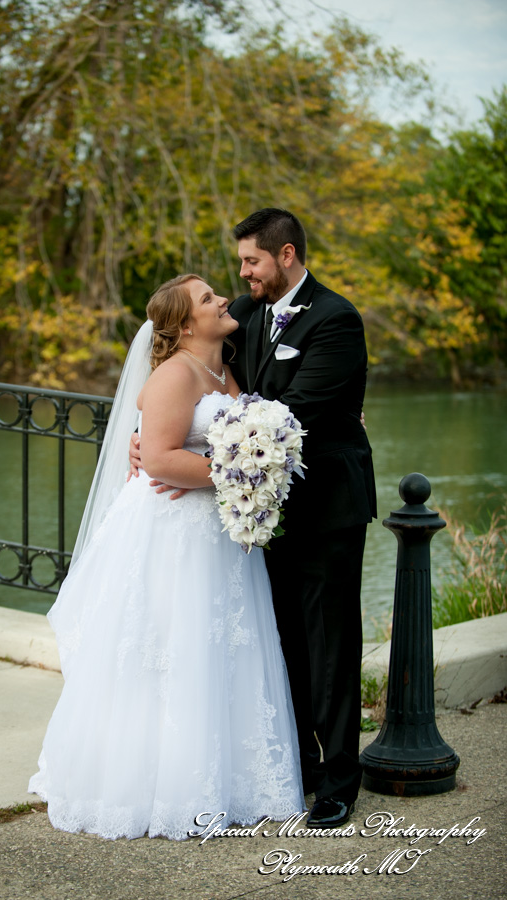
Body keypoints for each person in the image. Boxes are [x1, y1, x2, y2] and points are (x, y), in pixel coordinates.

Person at [29, 273, 305, 841]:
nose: (223, 299)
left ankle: (232, 781)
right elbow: (155, 459)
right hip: (174, 533)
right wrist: (246, 475)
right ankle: (157, 785)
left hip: (221, 535)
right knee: (169, 651)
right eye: (208, 299)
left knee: (222, 648)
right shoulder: (175, 374)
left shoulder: (225, 369)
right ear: (183, 324)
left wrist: (256, 469)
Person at [228, 208, 377, 828]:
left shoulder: (336, 318)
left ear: (285, 255)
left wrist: (204, 437)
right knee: (283, 638)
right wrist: (153, 432)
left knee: (331, 646)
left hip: (328, 508)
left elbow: (290, 411)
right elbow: (190, 361)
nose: (244, 272)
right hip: (269, 511)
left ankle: (340, 782)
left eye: (252, 261)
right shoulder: (244, 311)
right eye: (242, 263)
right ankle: (303, 770)